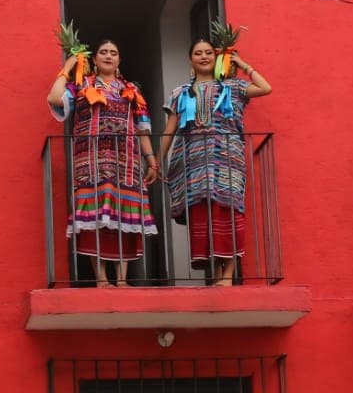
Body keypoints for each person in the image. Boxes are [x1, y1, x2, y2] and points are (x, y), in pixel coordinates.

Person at [159, 38, 272, 286]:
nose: (203, 56)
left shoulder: (233, 87)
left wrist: (241, 63)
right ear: (191, 59)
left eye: (209, 52)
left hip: (227, 159)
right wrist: (157, 159)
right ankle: (214, 273)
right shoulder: (180, 93)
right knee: (203, 212)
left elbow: (265, 88)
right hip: (193, 162)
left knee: (228, 210)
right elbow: (170, 129)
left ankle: (228, 275)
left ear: (216, 57)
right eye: (198, 53)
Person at [48, 39, 159, 286]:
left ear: (119, 60)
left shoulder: (131, 90)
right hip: (91, 164)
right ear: (94, 59)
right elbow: (55, 97)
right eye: (103, 52)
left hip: (126, 164)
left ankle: (121, 279)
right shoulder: (81, 85)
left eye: (114, 53)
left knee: (124, 218)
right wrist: (68, 66)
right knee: (96, 218)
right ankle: (101, 279)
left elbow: (142, 130)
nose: (108, 56)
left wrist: (151, 161)